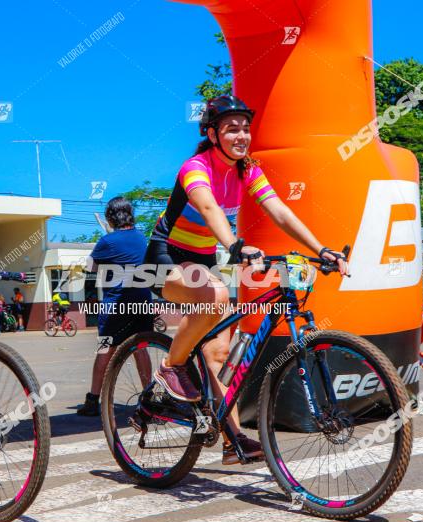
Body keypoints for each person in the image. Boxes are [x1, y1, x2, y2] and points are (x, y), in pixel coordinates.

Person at [143, 95, 348, 465]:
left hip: (204, 260)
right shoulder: (196, 167)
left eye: (245, 128)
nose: (241, 136)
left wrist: (322, 250)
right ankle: (171, 367)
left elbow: (280, 212)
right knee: (216, 294)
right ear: (211, 134)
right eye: (231, 129)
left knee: (218, 353)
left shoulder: (247, 170)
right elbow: (208, 208)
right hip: (165, 256)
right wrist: (236, 245)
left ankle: (231, 440)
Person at [77, 197, 154, 417]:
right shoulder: (142, 238)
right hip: (142, 301)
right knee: (141, 349)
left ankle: (93, 400)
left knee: (105, 350)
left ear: (111, 217)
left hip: (116, 306)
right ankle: (148, 396)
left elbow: (89, 267)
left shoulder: (107, 241)